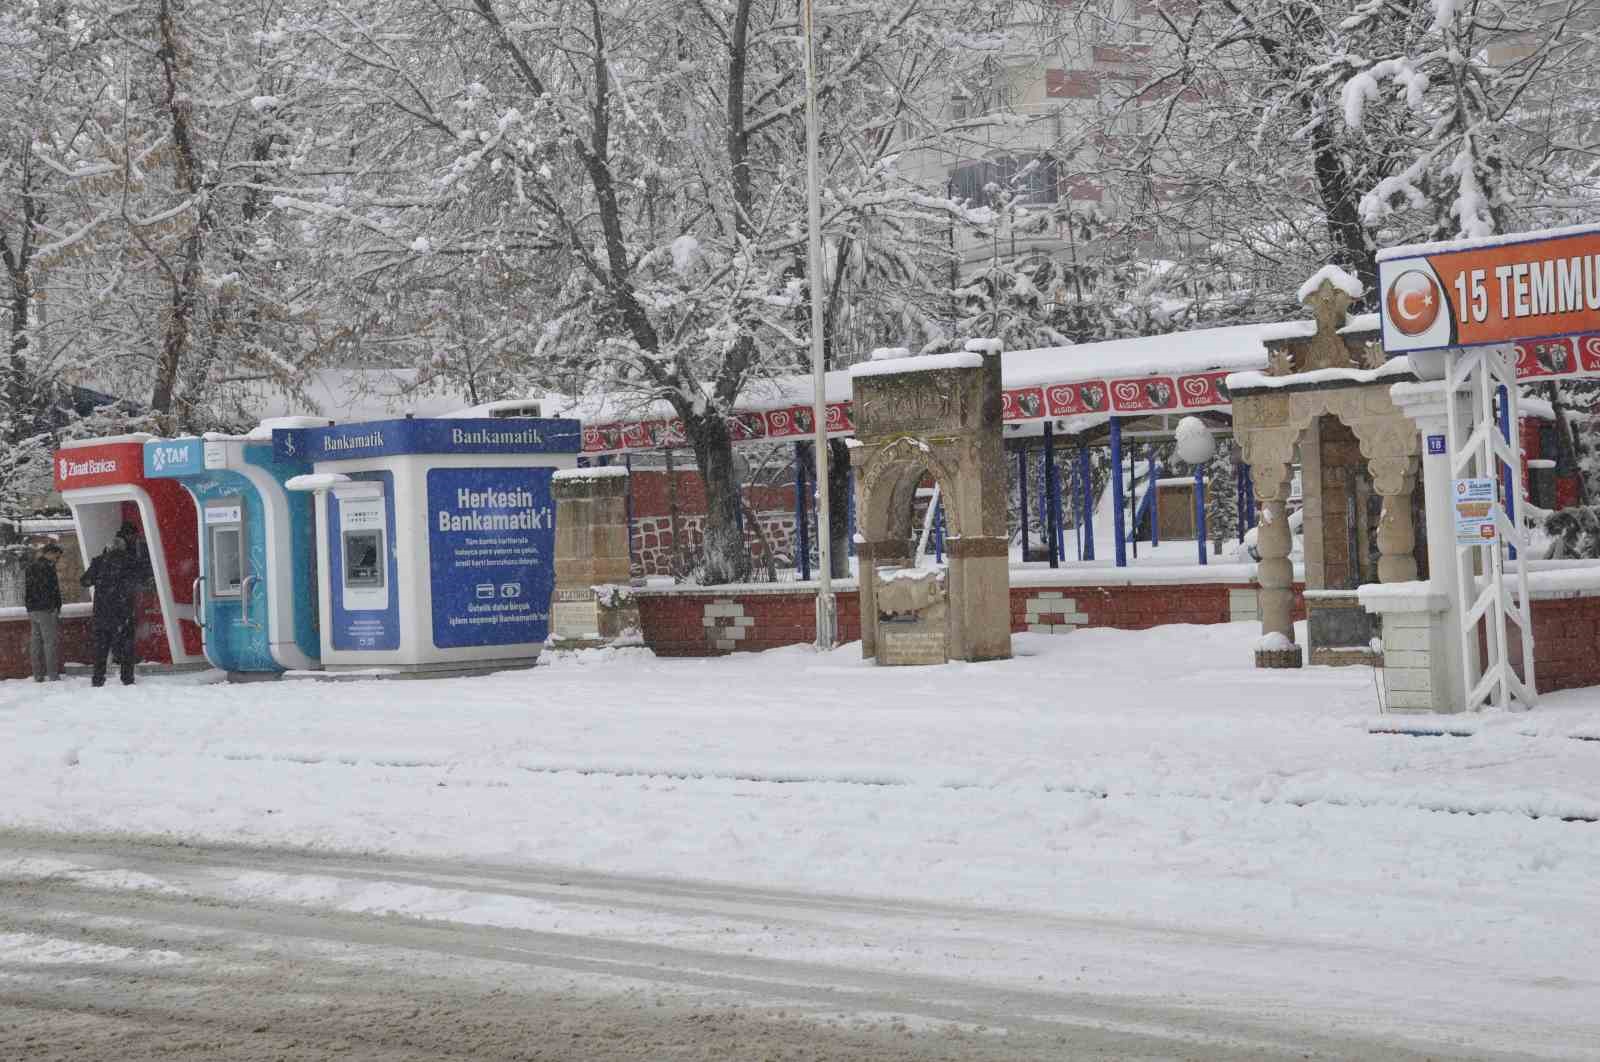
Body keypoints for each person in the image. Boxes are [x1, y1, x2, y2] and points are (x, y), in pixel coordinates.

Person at [80, 523, 152, 687]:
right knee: (126, 647)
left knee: (101, 648)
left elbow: (84, 581)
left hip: (102, 612)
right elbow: (144, 579)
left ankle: (98, 678)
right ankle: (127, 678)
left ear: (109, 547)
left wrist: (99, 578)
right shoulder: (130, 561)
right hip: (123, 611)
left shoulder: (99, 561)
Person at [24, 542, 65, 682]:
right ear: (50, 553)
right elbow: (52, 589)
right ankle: (53, 674)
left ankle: (38, 675)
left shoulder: (31, 566)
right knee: (50, 642)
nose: (57, 560)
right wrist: (56, 606)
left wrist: (29, 606)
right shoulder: (48, 567)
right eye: (57, 557)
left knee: (35, 642)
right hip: (46, 609)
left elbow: (29, 589)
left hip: (32, 609)